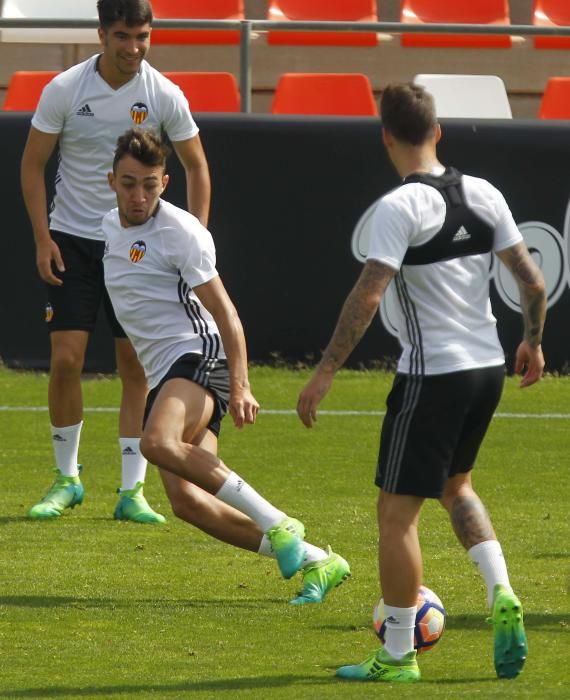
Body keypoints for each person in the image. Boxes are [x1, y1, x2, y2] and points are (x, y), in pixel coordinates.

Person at [297, 83, 546, 682]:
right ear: (437, 131)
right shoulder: (483, 193)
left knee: (394, 515)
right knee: (456, 486)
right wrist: (533, 342)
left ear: (386, 136)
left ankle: (399, 654)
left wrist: (327, 368)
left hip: (432, 377)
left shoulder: (397, 208)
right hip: (487, 369)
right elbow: (533, 284)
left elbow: (369, 294)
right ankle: (500, 591)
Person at [101, 126, 351, 603]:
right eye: (130, 183)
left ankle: (279, 523)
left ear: (165, 184)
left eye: (150, 184)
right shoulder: (106, 227)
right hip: (166, 373)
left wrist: (241, 386)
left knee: (156, 442)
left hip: (199, 356)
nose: (139, 195)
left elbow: (227, 315)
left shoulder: (182, 233)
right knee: (188, 503)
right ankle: (319, 559)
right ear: (111, 181)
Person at [21, 0, 210, 523]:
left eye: (142, 37)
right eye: (123, 36)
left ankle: (131, 492)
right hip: (73, 241)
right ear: (101, 34)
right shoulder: (64, 89)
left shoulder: (163, 93)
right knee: (65, 361)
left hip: (137, 246)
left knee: (135, 367)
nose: (134, 48)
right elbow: (32, 164)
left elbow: (196, 165)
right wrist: (43, 237)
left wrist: (194, 238)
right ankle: (68, 479)